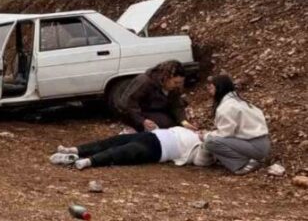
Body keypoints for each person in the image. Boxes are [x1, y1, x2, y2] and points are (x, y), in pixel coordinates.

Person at [50, 126, 212, 170]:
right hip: (150, 135)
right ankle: (74, 151)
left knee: (122, 152)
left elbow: (201, 161)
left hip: (158, 148)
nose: (203, 131)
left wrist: (206, 141)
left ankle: (89, 161)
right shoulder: (186, 130)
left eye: (207, 133)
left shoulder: (198, 147)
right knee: (111, 141)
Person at [202, 74, 271, 174]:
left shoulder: (227, 107)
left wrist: (205, 135)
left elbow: (225, 134)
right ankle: (251, 159)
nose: (210, 91)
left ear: (219, 88)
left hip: (254, 146)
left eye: (212, 88)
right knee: (213, 139)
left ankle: (243, 164)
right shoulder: (239, 102)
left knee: (210, 142)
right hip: (262, 144)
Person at [116, 60, 194, 132]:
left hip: (157, 109)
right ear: (166, 77)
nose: (178, 85)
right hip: (138, 112)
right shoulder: (144, 82)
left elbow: (176, 105)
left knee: (179, 121)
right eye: (175, 82)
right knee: (165, 124)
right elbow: (128, 103)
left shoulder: (174, 88)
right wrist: (142, 120)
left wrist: (183, 122)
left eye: (180, 82)